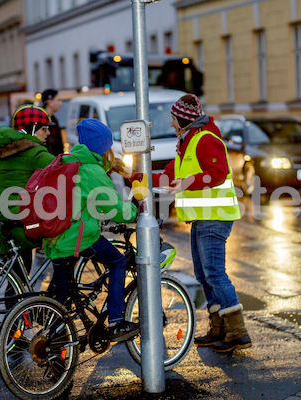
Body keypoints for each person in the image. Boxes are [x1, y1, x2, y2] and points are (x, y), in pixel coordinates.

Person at [134, 93, 251, 352]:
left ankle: (238, 332)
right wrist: (142, 177)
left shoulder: (205, 139)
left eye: (174, 120)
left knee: (214, 273)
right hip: (203, 217)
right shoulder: (186, 142)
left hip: (215, 216)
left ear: (184, 120)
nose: (172, 124)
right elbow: (171, 174)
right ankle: (219, 328)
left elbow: (217, 173)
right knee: (203, 274)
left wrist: (187, 183)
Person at [44, 118, 138, 343]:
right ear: (102, 148)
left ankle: (57, 350)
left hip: (56, 238)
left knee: (64, 299)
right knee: (117, 262)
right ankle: (116, 321)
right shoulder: (91, 172)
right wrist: (135, 211)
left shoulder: (70, 161)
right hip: (75, 238)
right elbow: (117, 210)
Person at [0, 105, 56, 285]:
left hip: (2, 214)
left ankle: (21, 310)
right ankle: (36, 307)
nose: (48, 133)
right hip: (19, 218)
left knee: (16, 279)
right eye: (45, 128)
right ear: (33, 129)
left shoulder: (6, 149)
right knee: (60, 248)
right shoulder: (33, 152)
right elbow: (63, 168)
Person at [41, 89, 65, 156]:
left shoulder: (54, 120)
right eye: (58, 100)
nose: (61, 103)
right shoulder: (39, 120)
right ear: (50, 102)